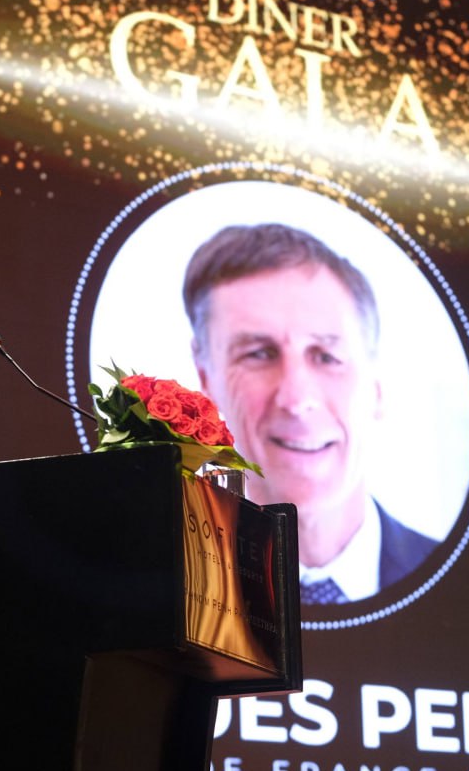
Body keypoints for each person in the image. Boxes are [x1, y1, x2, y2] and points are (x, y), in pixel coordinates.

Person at [183, 223, 438, 605]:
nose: (297, 398)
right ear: (206, 379)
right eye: (258, 354)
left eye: (327, 356)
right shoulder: (161, 592)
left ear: (377, 386)